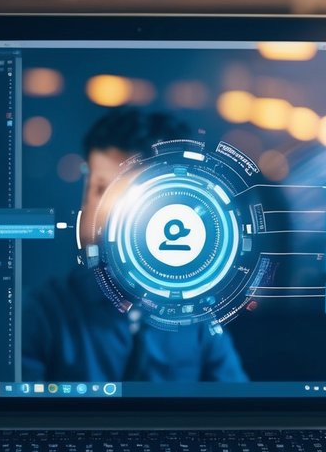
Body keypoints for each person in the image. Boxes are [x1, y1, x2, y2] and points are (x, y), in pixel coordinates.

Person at [22, 108, 248, 383]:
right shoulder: (40, 315)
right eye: (99, 189)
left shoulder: (196, 322)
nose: (105, 214)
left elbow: (236, 409)